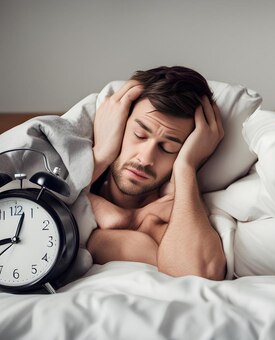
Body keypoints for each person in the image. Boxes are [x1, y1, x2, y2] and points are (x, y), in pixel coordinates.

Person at [86, 66, 226, 281]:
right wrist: (101, 154)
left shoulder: (171, 216)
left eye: (168, 148)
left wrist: (186, 166)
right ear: (119, 125)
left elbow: (197, 277)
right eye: (139, 135)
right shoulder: (64, 164)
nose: (145, 158)